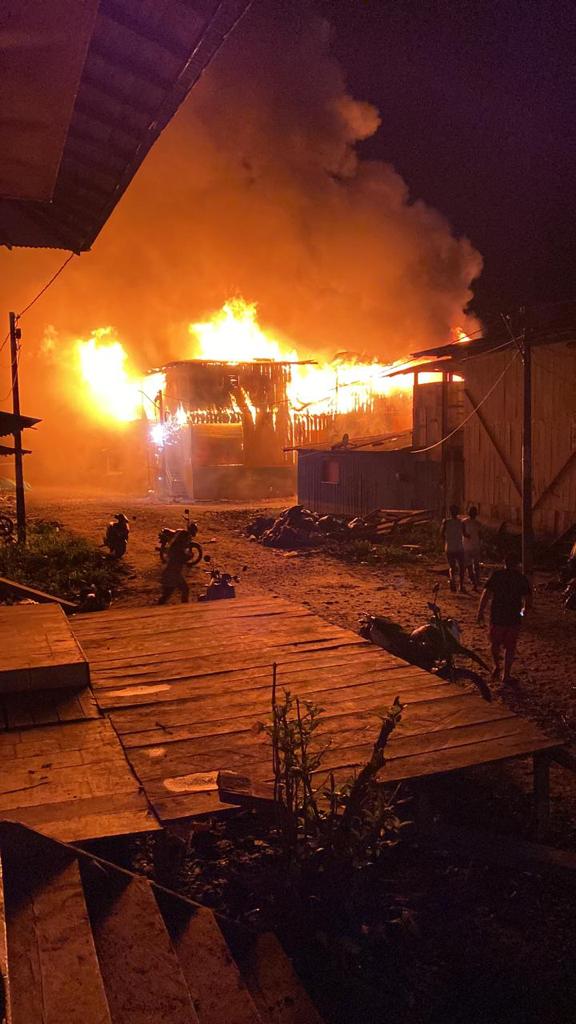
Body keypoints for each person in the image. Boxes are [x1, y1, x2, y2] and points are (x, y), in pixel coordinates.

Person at [477, 552, 532, 684]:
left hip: (497, 616)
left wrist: (480, 611)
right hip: (513, 618)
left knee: (495, 643)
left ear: (504, 563)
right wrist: (523, 613)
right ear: (517, 564)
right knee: (510, 647)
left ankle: (496, 665)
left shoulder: (497, 576)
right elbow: (528, 600)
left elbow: (486, 594)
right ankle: (506, 674)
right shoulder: (521, 578)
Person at [158, 529, 192, 604]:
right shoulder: (178, 548)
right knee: (184, 590)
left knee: (167, 595)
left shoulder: (175, 547)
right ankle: (185, 608)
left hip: (171, 573)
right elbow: (182, 559)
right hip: (174, 574)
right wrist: (189, 556)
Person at [440, 504, 467, 593]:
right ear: (457, 512)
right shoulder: (461, 522)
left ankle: (452, 581)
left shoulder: (446, 522)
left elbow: (441, 534)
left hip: (449, 548)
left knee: (452, 567)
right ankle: (461, 586)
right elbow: (465, 534)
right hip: (459, 548)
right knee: (461, 567)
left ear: (450, 512)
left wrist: (446, 541)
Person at [462, 505, 482, 590]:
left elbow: (463, 533)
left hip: (466, 547)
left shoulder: (464, 522)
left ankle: (474, 582)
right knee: (476, 566)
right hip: (476, 546)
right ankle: (476, 582)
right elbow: (481, 535)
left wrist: (467, 536)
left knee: (469, 566)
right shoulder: (478, 523)